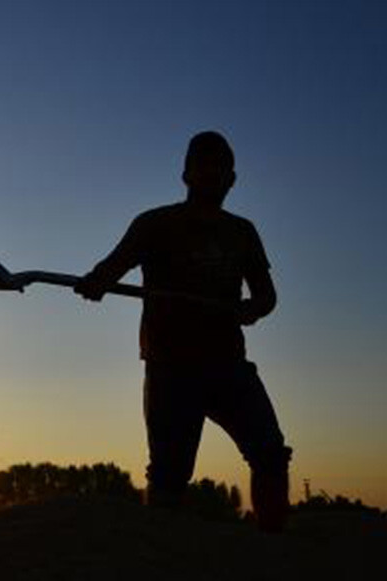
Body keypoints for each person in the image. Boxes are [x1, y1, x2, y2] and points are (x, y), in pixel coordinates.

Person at [73, 131, 292, 532]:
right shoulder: (155, 224)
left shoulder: (242, 232)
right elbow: (112, 267)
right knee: (169, 477)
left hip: (229, 366)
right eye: (203, 165)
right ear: (186, 175)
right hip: (171, 367)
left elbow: (266, 295)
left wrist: (251, 310)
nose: (212, 174)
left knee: (270, 453)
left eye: (220, 167)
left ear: (232, 179)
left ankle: (272, 543)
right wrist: (96, 282)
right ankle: (163, 553)